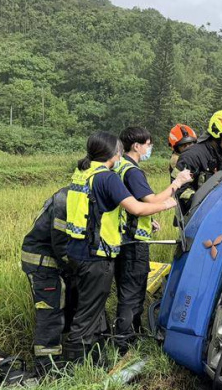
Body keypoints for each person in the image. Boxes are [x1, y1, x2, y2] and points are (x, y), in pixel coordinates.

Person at [62, 132, 186, 363]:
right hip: (96, 255)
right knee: (88, 314)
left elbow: (100, 209)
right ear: (112, 153)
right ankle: (75, 365)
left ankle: (93, 358)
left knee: (89, 308)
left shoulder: (82, 172)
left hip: (77, 250)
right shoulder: (107, 178)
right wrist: (168, 203)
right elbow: (137, 208)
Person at [112, 127, 192, 351]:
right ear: (136, 146)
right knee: (132, 294)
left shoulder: (119, 166)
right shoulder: (132, 171)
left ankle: (130, 337)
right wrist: (177, 183)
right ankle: (125, 344)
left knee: (128, 292)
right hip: (133, 243)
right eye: (148, 144)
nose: (150, 148)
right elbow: (152, 200)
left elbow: (129, 204)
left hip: (122, 237)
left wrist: (148, 220)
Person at [20, 185, 74, 376]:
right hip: (42, 264)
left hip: (52, 262)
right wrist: (77, 267)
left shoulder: (73, 195)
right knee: (50, 313)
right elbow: (61, 244)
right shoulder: (65, 200)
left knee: (64, 306)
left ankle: (62, 357)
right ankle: (47, 367)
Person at [174, 110, 222, 212]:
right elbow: (179, 188)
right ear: (217, 133)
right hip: (195, 215)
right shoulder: (192, 156)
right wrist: (203, 202)